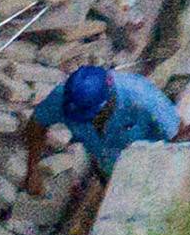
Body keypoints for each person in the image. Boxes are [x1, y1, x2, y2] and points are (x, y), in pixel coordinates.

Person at [21, 63, 180, 189]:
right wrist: (32, 170)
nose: (88, 121)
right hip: (109, 171)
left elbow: (178, 137)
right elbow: (36, 126)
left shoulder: (142, 98)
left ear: (109, 96)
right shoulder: (62, 99)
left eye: (92, 114)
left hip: (152, 167)